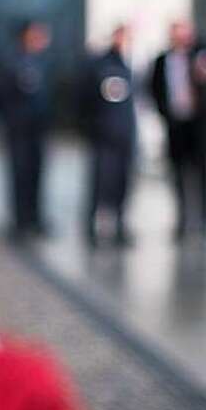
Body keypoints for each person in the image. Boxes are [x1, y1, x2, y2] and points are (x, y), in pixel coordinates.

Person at [149, 20, 206, 239]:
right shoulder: (162, 60)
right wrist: (165, 114)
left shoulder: (202, 53)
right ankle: (183, 220)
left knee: (202, 175)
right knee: (179, 175)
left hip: (200, 127)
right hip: (177, 127)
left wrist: (202, 49)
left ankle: (205, 221)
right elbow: (153, 90)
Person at [0, 19, 53, 239]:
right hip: (17, 129)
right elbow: (0, 97)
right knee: (19, 174)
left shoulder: (44, 62)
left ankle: (35, 219)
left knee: (37, 174)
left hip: (38, 129)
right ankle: (19, 221)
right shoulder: (11, 62)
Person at [79, 24, 136, 247]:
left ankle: (120, 226)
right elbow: (84, 98)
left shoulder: (130, 65)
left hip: (125, 133)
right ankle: (93, 227)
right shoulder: (99, 65)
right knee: (100, 182)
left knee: (122, 182)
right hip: (103, 134)